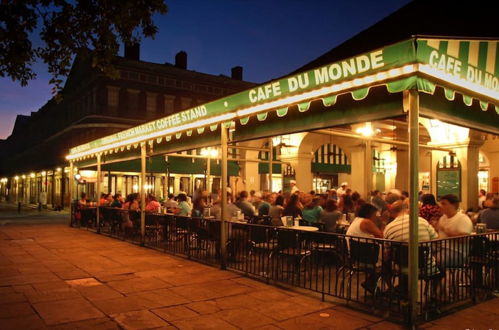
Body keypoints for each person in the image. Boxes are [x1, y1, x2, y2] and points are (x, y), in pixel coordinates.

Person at [436, 194, 473, 268]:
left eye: (444, 204)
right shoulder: (442, 218)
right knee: (422, 258)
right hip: (440, 248)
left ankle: (437, 277)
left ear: (453, 205)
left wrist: (447, 232)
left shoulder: (463, 219)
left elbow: (464, 239)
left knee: (433, 262)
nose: (440, 206)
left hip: (457, 252)